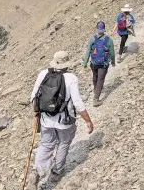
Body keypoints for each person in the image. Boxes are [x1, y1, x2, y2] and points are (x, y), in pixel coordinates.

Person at [28, 51, 93, 189]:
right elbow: (77, 103)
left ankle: (37, 171)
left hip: (45, 119)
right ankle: (57, 172)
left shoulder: (43, 74)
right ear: (66, 64)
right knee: (63, 143)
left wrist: (37, 114)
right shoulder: (71, 78)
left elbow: (33, 96)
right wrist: (88, 120)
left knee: (46, 144)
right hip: (65, 121)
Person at [83, 21, 115, 107]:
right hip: (103, 63)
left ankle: (95, 90)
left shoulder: (92, 39)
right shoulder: (109, 40)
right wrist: (113, 62)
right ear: (104, 29)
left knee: (95, 76)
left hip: (94, 62)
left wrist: (85, 63)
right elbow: (112, 52)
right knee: (100, 79)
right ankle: (96, 99)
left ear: (97, 29)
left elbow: (88, 51)